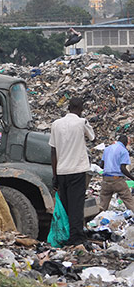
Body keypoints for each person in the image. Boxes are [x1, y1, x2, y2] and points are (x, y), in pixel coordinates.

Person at [50, 97, 95, 246]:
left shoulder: (56, 124)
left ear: (68, 108)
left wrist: (55, 175)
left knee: (66, 205)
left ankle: (66, 233)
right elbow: (92, 137)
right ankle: (76, 237)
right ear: (81, 109)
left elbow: (53, 151)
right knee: (76, 205)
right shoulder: (81, 122)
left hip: (61, 171)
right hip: (77, 170)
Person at [99, 135, 134, 212]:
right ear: (125, 142)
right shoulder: (123, 151)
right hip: (117, 179)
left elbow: (101, 165)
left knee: (103, 203)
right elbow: (123, 168)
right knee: (128, 200)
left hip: (106, 179)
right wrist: (132, 178)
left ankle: (96, 219)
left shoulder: (107, 149)